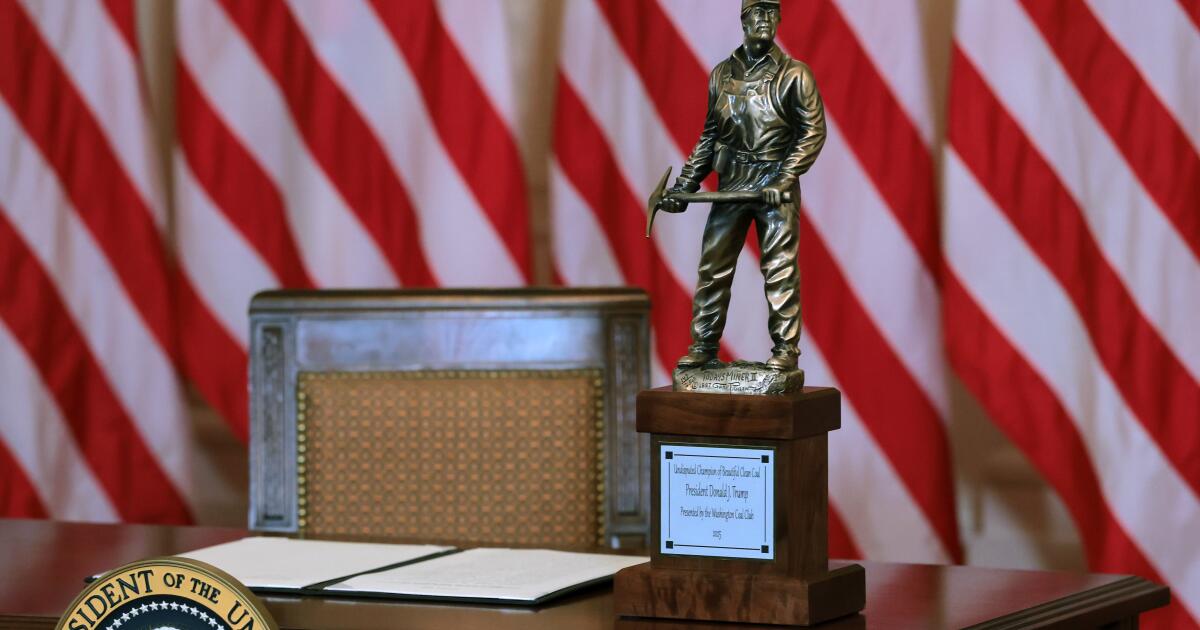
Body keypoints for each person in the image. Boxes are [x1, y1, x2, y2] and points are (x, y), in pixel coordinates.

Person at [656, 0, 826, 372]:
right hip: (731, 183)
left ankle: (786, 350)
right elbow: (710, 136)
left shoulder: (794, 75)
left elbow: (812, 132)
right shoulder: (721, 74)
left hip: (774, 187)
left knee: (780, 269)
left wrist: (784, 177)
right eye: (757, 12)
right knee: (713, 267)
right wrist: (685, 185)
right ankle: (704, 345)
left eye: (772, 12)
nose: (765, 19)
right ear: (744, 20)